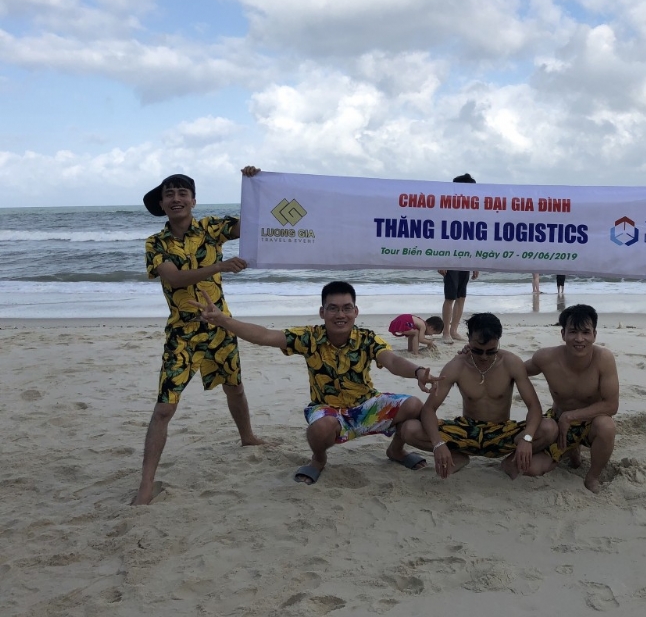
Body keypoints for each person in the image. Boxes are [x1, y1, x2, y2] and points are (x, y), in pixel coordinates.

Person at [197, 281, 437, 484]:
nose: (340, 315)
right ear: (322, 312)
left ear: (356, 311)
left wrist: (417, 371)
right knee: (319, 428)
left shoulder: (367, 338)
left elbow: (392, 360)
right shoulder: (310, 337)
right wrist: (223, 320)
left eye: (346, 308)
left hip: (367, 407)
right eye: (333, 308)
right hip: (328, 410)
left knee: (413, 405)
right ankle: (318, 459)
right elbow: (265, 336)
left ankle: (396, 450)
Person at [133, 166, 266, 505]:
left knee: (235, 388)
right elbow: (174, 278)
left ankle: (248, 437)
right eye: (169, 194)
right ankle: (146, 485)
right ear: (162, 204)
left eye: (183, 193)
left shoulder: (210, 228)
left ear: (193, 200)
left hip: (221, 327)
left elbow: (251, 224)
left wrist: (254, 183)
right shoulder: (155, 243)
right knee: (164, 409)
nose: (176, 199)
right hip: (182, 334)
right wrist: (219, 266)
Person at [397, 313, 556, 480]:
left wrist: (527, 438)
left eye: (491, 351)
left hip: (502, 431)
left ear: (498, 340)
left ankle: (512, 462)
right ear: (469, 339)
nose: (484, 357)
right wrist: (438, 443)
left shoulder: (511, 363)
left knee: (549, 428)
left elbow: (534, 406)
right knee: (409, 429)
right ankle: (456, 457)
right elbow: (429, 409)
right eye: (477, 351)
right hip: (466, 432)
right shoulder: (457, 366)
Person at [524, 304, 620, 493]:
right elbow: (513, 371)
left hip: (590, 424)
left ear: (594, 335)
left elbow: (611, 405)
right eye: (573, 332)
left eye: (586, 332)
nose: (579, 339)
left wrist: (570, 416)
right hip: (558, 425)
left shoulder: (604, 359)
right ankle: (570, 451)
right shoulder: (546, 357)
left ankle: (592, 476)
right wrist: (475, 355)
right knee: (530, 469)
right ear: (563, 334)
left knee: (606, 426)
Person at [439, 172, 479, 344]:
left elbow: (474, 237)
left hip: (466, 258)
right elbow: (441, 235)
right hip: (450, 257)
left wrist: (475, 262)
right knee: (450, 296)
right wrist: (441, 260)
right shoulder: (449, 209)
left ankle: (454, 330)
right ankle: (446, 332)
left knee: (461, 296)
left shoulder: (472, 211)